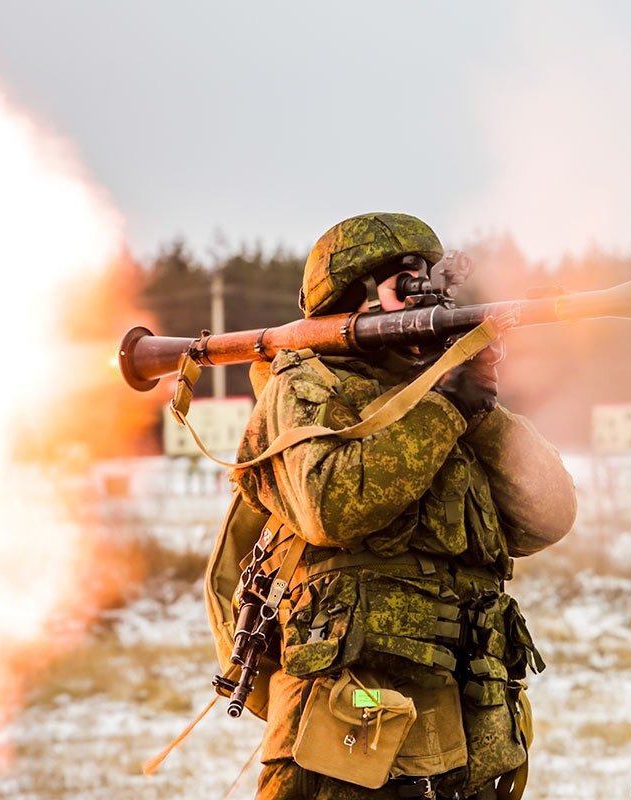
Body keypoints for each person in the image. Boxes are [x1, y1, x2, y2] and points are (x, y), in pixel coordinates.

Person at [232, 212, 577, 800]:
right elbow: (330, 507)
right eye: (402, 282)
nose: (423, 296)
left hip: (466, 730)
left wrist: (479, 411)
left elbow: (550, 514)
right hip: (351, 734)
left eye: (428, 279)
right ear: (350, 297)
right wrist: (441, 409)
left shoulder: (447, 397)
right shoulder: (306, 387)